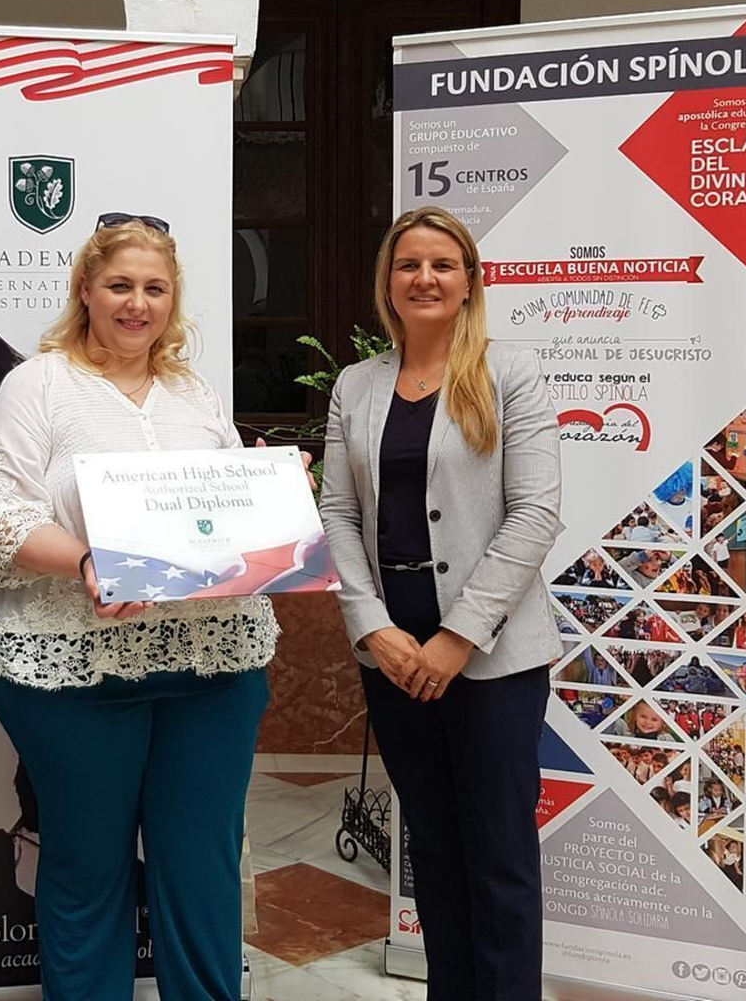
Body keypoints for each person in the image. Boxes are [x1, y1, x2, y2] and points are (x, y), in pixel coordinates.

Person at [0, 216, 281, 1000]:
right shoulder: (37, 385)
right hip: (74, 671)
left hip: (213, 666)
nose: (136, 304)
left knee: (202, 862)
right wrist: (88, 563)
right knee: (85, 864)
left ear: (173, 302)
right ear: (85, 291)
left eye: (154, 289)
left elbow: (231, 508)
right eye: (120, 285)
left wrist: (277, 518)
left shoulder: (192, 393)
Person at [320, 206, 562, 1000]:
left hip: (489, 652)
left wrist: (459, 636)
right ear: (388, 282)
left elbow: (535, 513)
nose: (424, 278)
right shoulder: (357, 386)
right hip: (393, 653)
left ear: (468, 283)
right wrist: (372, 626)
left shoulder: (511, 372)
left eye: (443, 264)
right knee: (432, 845)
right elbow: (337, 513)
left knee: (498, 856)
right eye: (408, 264)